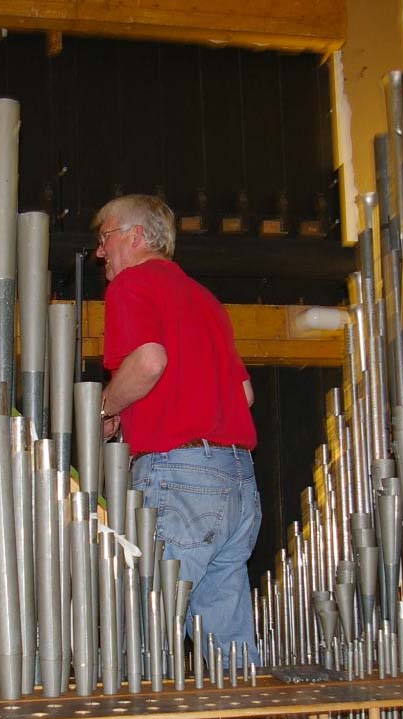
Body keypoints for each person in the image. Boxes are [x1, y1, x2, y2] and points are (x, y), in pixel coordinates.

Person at [96, 193, 261, 667]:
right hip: (237, 481)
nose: (101, 252)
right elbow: (244, 396)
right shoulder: (207, 300)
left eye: (106, 238)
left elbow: (149, 361)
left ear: (136, 236)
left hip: (180, 475)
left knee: (147, 625)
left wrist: (105, 407)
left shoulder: (132, 285)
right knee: (226, 639)